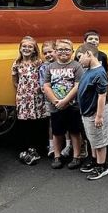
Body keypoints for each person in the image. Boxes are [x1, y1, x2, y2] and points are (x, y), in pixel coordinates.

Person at [42, 39, 85, 170]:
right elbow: (46, 85)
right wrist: (55, 101)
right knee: (57, 132)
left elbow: (78, 85)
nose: (63, 52)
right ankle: (57, 156)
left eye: (67, 49)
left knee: (75, 131)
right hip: (56, 106)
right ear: (55, 52)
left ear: (72, 52)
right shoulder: (50, 67)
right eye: (60, 49)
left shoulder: (77, 66)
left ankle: (76, 156)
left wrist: (65, 101)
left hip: (73, 105)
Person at [76, 43, 108, 180]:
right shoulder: (89, 70)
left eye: (80, 57)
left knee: (100, 141)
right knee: (93, 139)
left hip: (95, 112)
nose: (79, 61)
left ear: (89, 54)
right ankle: (94, 160)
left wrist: (99, 116)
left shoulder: (100, 73)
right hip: (87, 112)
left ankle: (101, 166)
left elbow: (102, 95)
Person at [11, 36, 48, 160]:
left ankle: (37, 147)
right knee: (24, 123)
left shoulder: (38, 62)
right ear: (20, 48)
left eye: (30, 47)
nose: (26, 49)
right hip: (23, 97)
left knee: (38, 122)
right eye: (24, 46)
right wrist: (23, 92)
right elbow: (15, 81)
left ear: (34, 50)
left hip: (37, 97)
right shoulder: (17, 63)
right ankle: (25, 146)